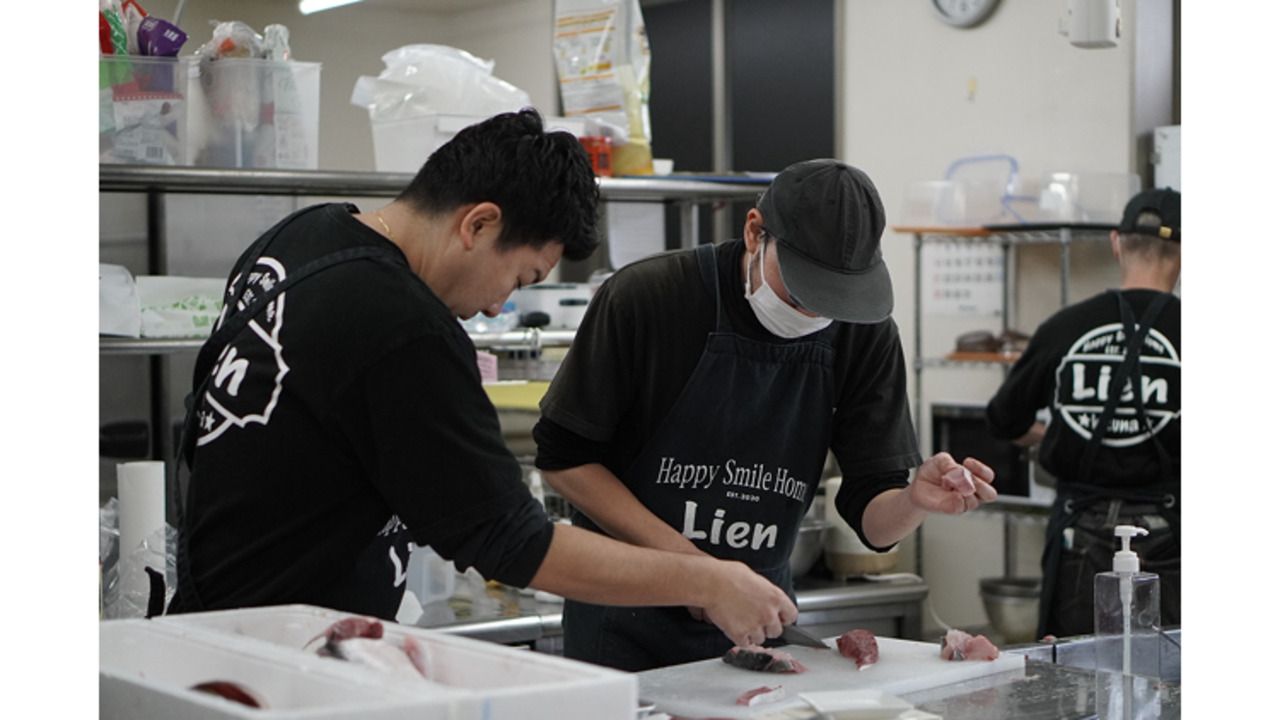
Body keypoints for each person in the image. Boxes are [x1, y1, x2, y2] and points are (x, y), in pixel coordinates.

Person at [166, 108, 798, 650]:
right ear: (478, 224)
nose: (499, 307)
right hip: (276, 664)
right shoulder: (403, 325)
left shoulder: (302, 236)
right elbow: (512, 542)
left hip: (207, 627)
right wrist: (707, 581)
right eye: (520, 278)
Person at [532, 159, 999, 672]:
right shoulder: (650, 297)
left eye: (836, 300)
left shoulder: (865, 332)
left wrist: (913, 500)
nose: (815, 314)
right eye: (802, 291)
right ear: (755, 233)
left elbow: (874, 520)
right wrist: (698, 574)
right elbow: (564, 459)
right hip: (624, 620)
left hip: (762, 621)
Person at [985, 188, 1181, 639]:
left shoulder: (1066, 327)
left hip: (1080, 533)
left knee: (1075, 671)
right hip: (1174, 535)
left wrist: (1065, 433)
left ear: (1116, 243)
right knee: (1174, 672)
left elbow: (1004, 419)